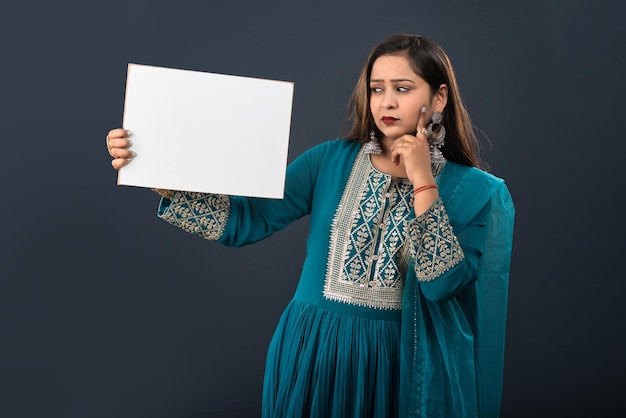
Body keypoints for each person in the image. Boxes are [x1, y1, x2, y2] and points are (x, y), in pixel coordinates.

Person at [106, 34, 514, 418]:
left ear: (438, 96)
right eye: (377, 88)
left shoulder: (475, 191)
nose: (386, 102)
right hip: (312, 351)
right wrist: (157, 171)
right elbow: (249, 220)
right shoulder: (329, 161)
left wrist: (423, 178)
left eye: (403, 89)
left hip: (399, 366)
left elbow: (441, 285)